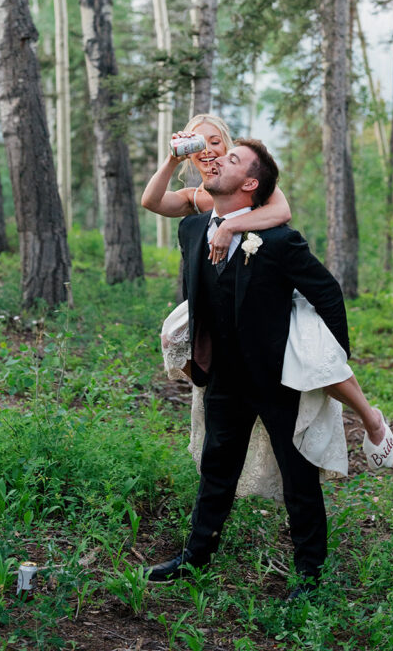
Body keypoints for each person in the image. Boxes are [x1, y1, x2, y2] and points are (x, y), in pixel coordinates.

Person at [145, 139, 362, 593]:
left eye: (232, 159)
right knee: (215, 470)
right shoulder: (192, 231)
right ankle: (195, 557)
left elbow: (327, 293)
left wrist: (328, 359)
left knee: (298, 478)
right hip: (223, 379)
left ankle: (310, 575)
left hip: (278, 380)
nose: (217, 159)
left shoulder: (280, 241)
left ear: (249, 184)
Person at [141, 115, 393, 474]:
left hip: (268, 290)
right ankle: (212, 378)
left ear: (227, 145)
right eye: (199, 144)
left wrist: (230, 225)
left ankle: (371, 420)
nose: (209, 150)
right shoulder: (196, 196)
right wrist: (171, 159)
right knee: (174, 334)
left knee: (318, 359)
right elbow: (151, 201)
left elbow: (282, 211)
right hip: (222, 299)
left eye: (216, 142)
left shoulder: (249, 179)